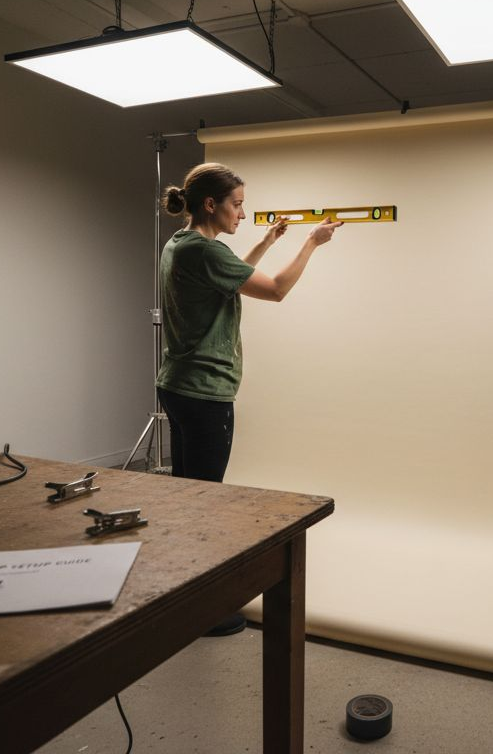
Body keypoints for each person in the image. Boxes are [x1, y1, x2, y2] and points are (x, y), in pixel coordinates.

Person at [156, 162, 341, 635]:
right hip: (204, 392)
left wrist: (268, 241)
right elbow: (276, 291)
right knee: (204, 501)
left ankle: (178, 590)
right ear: (211, 204)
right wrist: (310, 244)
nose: (244, 212)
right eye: (237, 204)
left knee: (187, 493)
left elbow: (230, 274)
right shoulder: (204, 252)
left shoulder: (181, 245)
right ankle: (202, 609)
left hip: (177, 385)